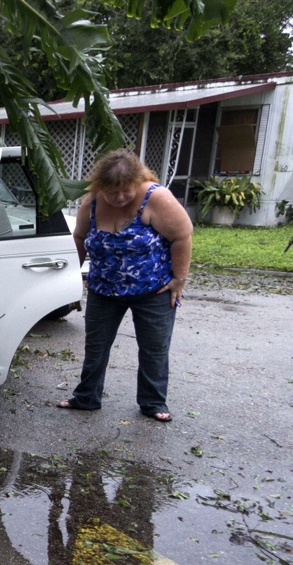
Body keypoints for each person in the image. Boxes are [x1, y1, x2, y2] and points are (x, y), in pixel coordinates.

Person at [57, 149, 192, 422]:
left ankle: (153, 403)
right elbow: (80, 237)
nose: (119, 198)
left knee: (154, 348)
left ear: (137, 181)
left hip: (154, 289)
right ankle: (86, 398)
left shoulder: (157, 197)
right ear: (100, 187)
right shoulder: (92, 202)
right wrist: (71, 278)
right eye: (112, 192)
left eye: (126, 191)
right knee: (96, 346)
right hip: (104, 289)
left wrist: (179, 279)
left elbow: (183, 236)